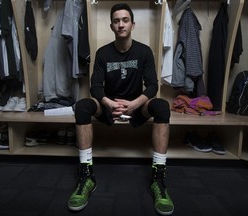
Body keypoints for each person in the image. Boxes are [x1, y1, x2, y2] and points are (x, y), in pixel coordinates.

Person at [68, 3, 174, 215]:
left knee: (162, 106)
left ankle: (158, 177)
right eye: (116, 21)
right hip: (109, 105)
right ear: (111, 26)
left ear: (132, 25)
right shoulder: (103, 53)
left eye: (125, 20)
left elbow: (152, 84)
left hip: (137, 106)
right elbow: (95, 86)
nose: (121, 24)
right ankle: (86, 174)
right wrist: (108, 103)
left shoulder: (144, 52)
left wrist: (135, 103)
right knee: (82, 106)